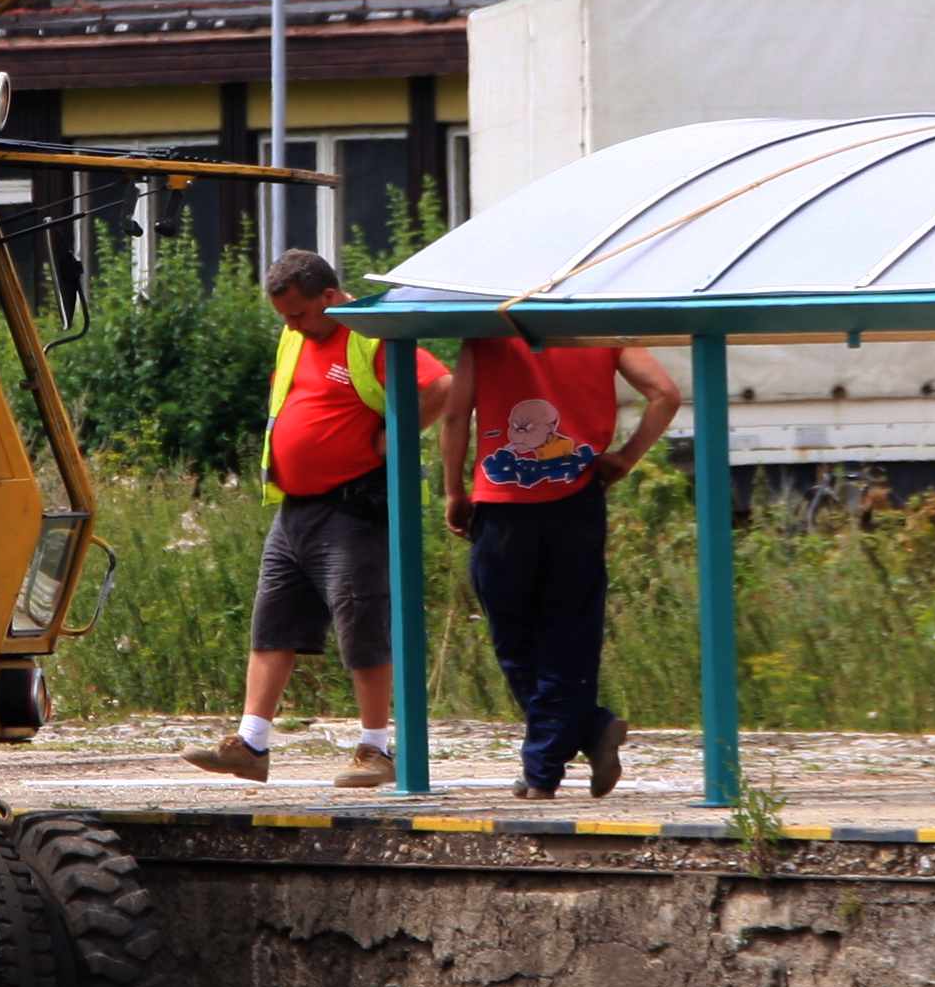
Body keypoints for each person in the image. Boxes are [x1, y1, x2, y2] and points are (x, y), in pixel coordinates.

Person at [180, 249, 453, 788]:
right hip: (295, 510)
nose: (293, 326)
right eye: (284, 316)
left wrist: (391, 436)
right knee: (272, 623)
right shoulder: (296, 336)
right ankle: (250, 744)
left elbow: (441, 385)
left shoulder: (371, 335)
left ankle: (376, 749)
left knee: (361, 626)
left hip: (352, 507)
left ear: (330, 298)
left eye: (299, 314)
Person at [441, 330, 682, 800]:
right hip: (578, 501)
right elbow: (665, 395)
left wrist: (454, 490)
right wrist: (627, 457)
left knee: (515, 640)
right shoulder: (599, 329)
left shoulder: (485, 334)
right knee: (570, 634)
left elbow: (454, 415)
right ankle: (586, 731)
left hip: (502, 507)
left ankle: (545, 768)